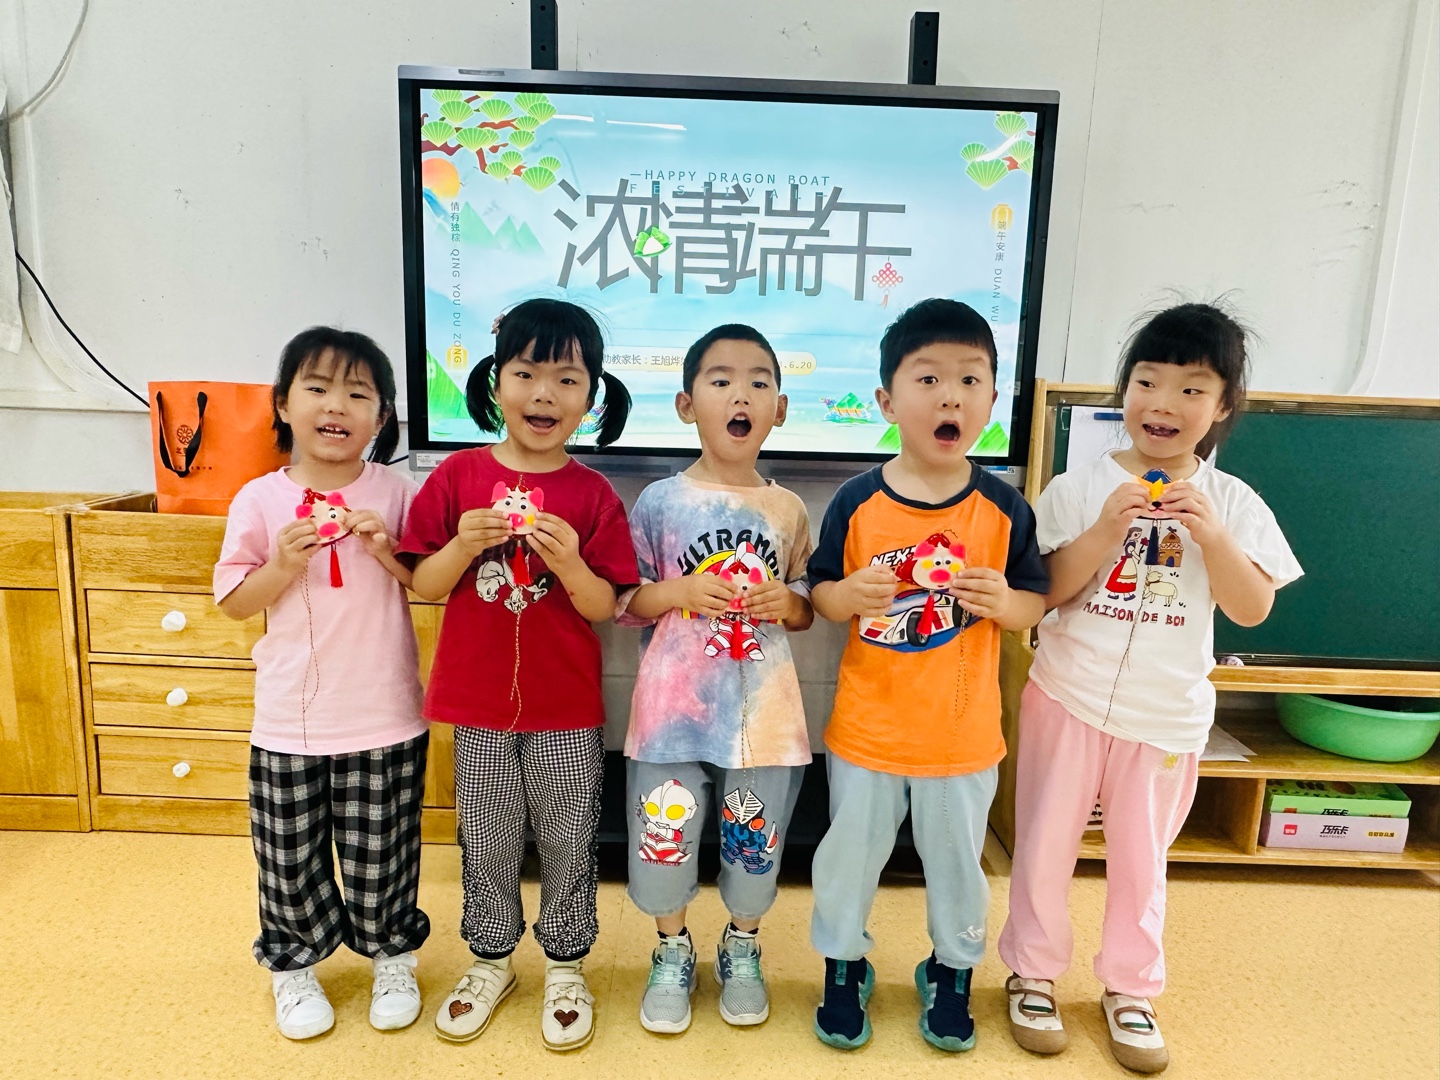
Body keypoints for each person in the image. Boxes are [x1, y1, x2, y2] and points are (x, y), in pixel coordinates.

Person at [997, 302, 1302, 1074]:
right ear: (1124, 390)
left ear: (1223, 406)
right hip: (1067, 695)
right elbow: (1046, 594)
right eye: (1147, 381)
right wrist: (1106, 528)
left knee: (1143, 860)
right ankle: (1032, 973)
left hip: (1165, 716)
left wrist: (1213, 535)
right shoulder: (1076, 487)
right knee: (1043, 844)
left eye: (1192, 388)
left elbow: (1251, 608)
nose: (1163, 403)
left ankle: (1131, 988)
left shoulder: (1234, 503)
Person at [806, 298, 1049, 1052]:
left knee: (958, 868)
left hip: (962, 738)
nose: (951, 397)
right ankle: (843, 965)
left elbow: (1033, 601)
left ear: (992, 400)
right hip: (867, 732)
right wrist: (849, 594)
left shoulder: (1003, 507)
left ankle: (951, 970)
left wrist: (1004, 602)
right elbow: (820, 594)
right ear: (887, 401)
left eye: (971, 380)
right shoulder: (857, 500)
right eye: (929, 379)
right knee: (847, 861)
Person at [398, 299, 638, 1052]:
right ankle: (490, 958)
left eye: (567, 379)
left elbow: (605, 606)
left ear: (592, 396)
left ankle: (565, 963)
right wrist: (464, 545)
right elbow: (424, 584)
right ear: (495, 382)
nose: (544, 394)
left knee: (569, 837)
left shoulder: (593, 494)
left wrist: (569, 563)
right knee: (488, 836)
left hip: (566, 704)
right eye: (527, 373)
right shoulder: (458, 476)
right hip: (477, 702)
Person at [214, 327, 428, 1040]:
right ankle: (294, 967)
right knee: (289, 858)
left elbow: (429, 583)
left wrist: (387, 549)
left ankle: (392, 955)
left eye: (359, 394)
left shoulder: (397, 492)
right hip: (289, 720)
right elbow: (235, 602)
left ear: (383, 416)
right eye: (317, 388)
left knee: (383, 853)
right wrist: (280, 564)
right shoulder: (258, 499)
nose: (337, 405)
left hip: (385, 714)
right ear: (283, 404)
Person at [616, 324, 814, 1034]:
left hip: (764, 719)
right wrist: (678, 592)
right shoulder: (659, 501)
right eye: (721, 380)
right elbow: (627, 601)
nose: (741, 395)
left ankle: (742, 943)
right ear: (685, 404)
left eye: (759, 382)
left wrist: (787, 602)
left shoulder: (789, 509)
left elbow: (805, 606)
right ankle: (671, 947)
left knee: (755, 845)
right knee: (662, 839)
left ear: (779, 410)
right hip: (670, 715)